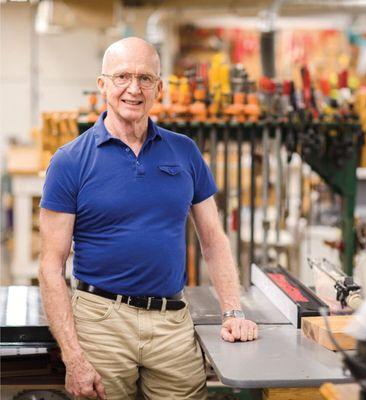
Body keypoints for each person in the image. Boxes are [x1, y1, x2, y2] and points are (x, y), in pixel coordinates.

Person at [39, 36, 258, 400]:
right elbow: (51, 264)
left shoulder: (184, 151)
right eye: (122, 76)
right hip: (101, 322)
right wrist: (73, 357)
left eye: (145, 78)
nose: (133, 89)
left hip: (171, 320)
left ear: (159, 87)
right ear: (102, 84)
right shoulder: (69, 161)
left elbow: (214, 239)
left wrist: (233, 310)